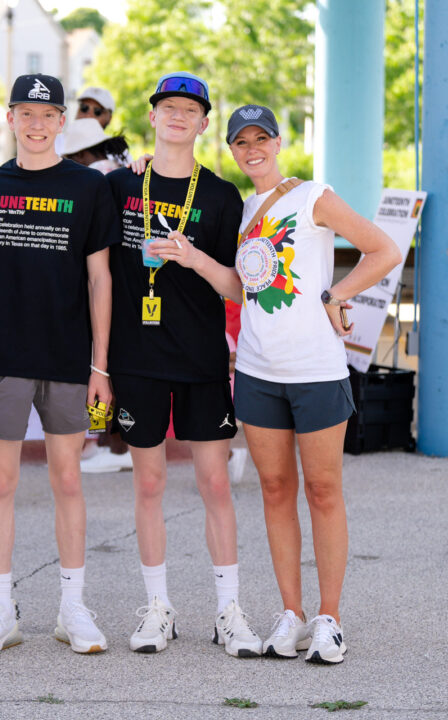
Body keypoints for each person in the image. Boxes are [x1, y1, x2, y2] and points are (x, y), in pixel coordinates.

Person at [226, 104, 401, 664]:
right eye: (241, 142)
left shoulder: (311, 196)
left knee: (323, 491)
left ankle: (330, 619)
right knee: (274, 491)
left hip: (316, 370)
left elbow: (384, 250)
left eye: (262, 139)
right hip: (257, 369)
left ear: (278, 143)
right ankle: (291, 615)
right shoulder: (241, 208)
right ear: (231, 149)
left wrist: (336, 297)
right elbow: (244, 288)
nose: (252, 149)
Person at [0, 74, 121, 659]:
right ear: (10, 118)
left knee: (68, 481)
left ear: (61, 121)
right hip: (2, 357)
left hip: (68, 359)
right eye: (25, 112)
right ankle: (0, 611)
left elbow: (100, 278)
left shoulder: (87, 186)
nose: (35, 123)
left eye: (46, 113)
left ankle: (72, 609)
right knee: (0, 484)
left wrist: (101, 365)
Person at [107, 71, 262, 657]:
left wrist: (195, 259)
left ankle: (228, 610)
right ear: (152, 117)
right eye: (167, 107)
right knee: (148, 483)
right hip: (137, 357)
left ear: (203, 124)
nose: (177, 116)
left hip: (200, 359)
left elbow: (239, 290)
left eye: (189, 110)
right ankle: (158, 608)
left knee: (215, 482)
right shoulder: (120, 188)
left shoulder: (223, 197)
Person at [58, 118, 133, 474]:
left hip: (101, 284)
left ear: (84, 153)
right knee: (111, 367)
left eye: (72, 156)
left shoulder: (96, 177)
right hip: (125, 285)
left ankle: (106, 441)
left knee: (100, 366)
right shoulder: (121, 168)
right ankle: (110, 442)